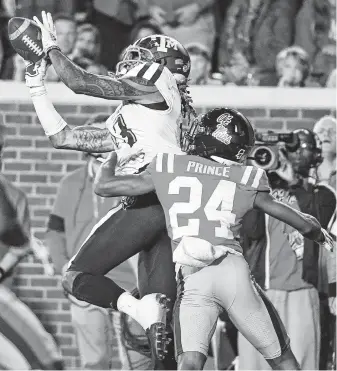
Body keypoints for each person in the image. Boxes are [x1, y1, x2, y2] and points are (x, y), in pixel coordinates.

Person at [93, 107, 333, 370]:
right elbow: (299, 221)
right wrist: (319, 234)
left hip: (194, 277)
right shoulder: (247, 177)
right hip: (234, 274)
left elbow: (104, 186)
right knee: (282, 357)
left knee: (190, 363)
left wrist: (113, 155)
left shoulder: (169, 165)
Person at [26, 11, 194, 367]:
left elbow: (81, 83)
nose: (134, 63)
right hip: (170, 209)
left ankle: (137, 308)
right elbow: (64, 138)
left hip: (147, 202)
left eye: (142, 58)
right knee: (160, 332)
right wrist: (36, 87)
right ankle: (145, 312)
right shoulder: (143, 116)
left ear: (161, 66)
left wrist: (53, 48)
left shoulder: (157, 79)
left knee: (77, 277)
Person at [240, 129, 335, 370]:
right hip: (262, 290)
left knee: (303, 364)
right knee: (256, 365)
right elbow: (251, 232)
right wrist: (259, 179)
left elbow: (315, 222)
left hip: (303, 291)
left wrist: (293, 183)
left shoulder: (322, 194)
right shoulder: (263, 189)